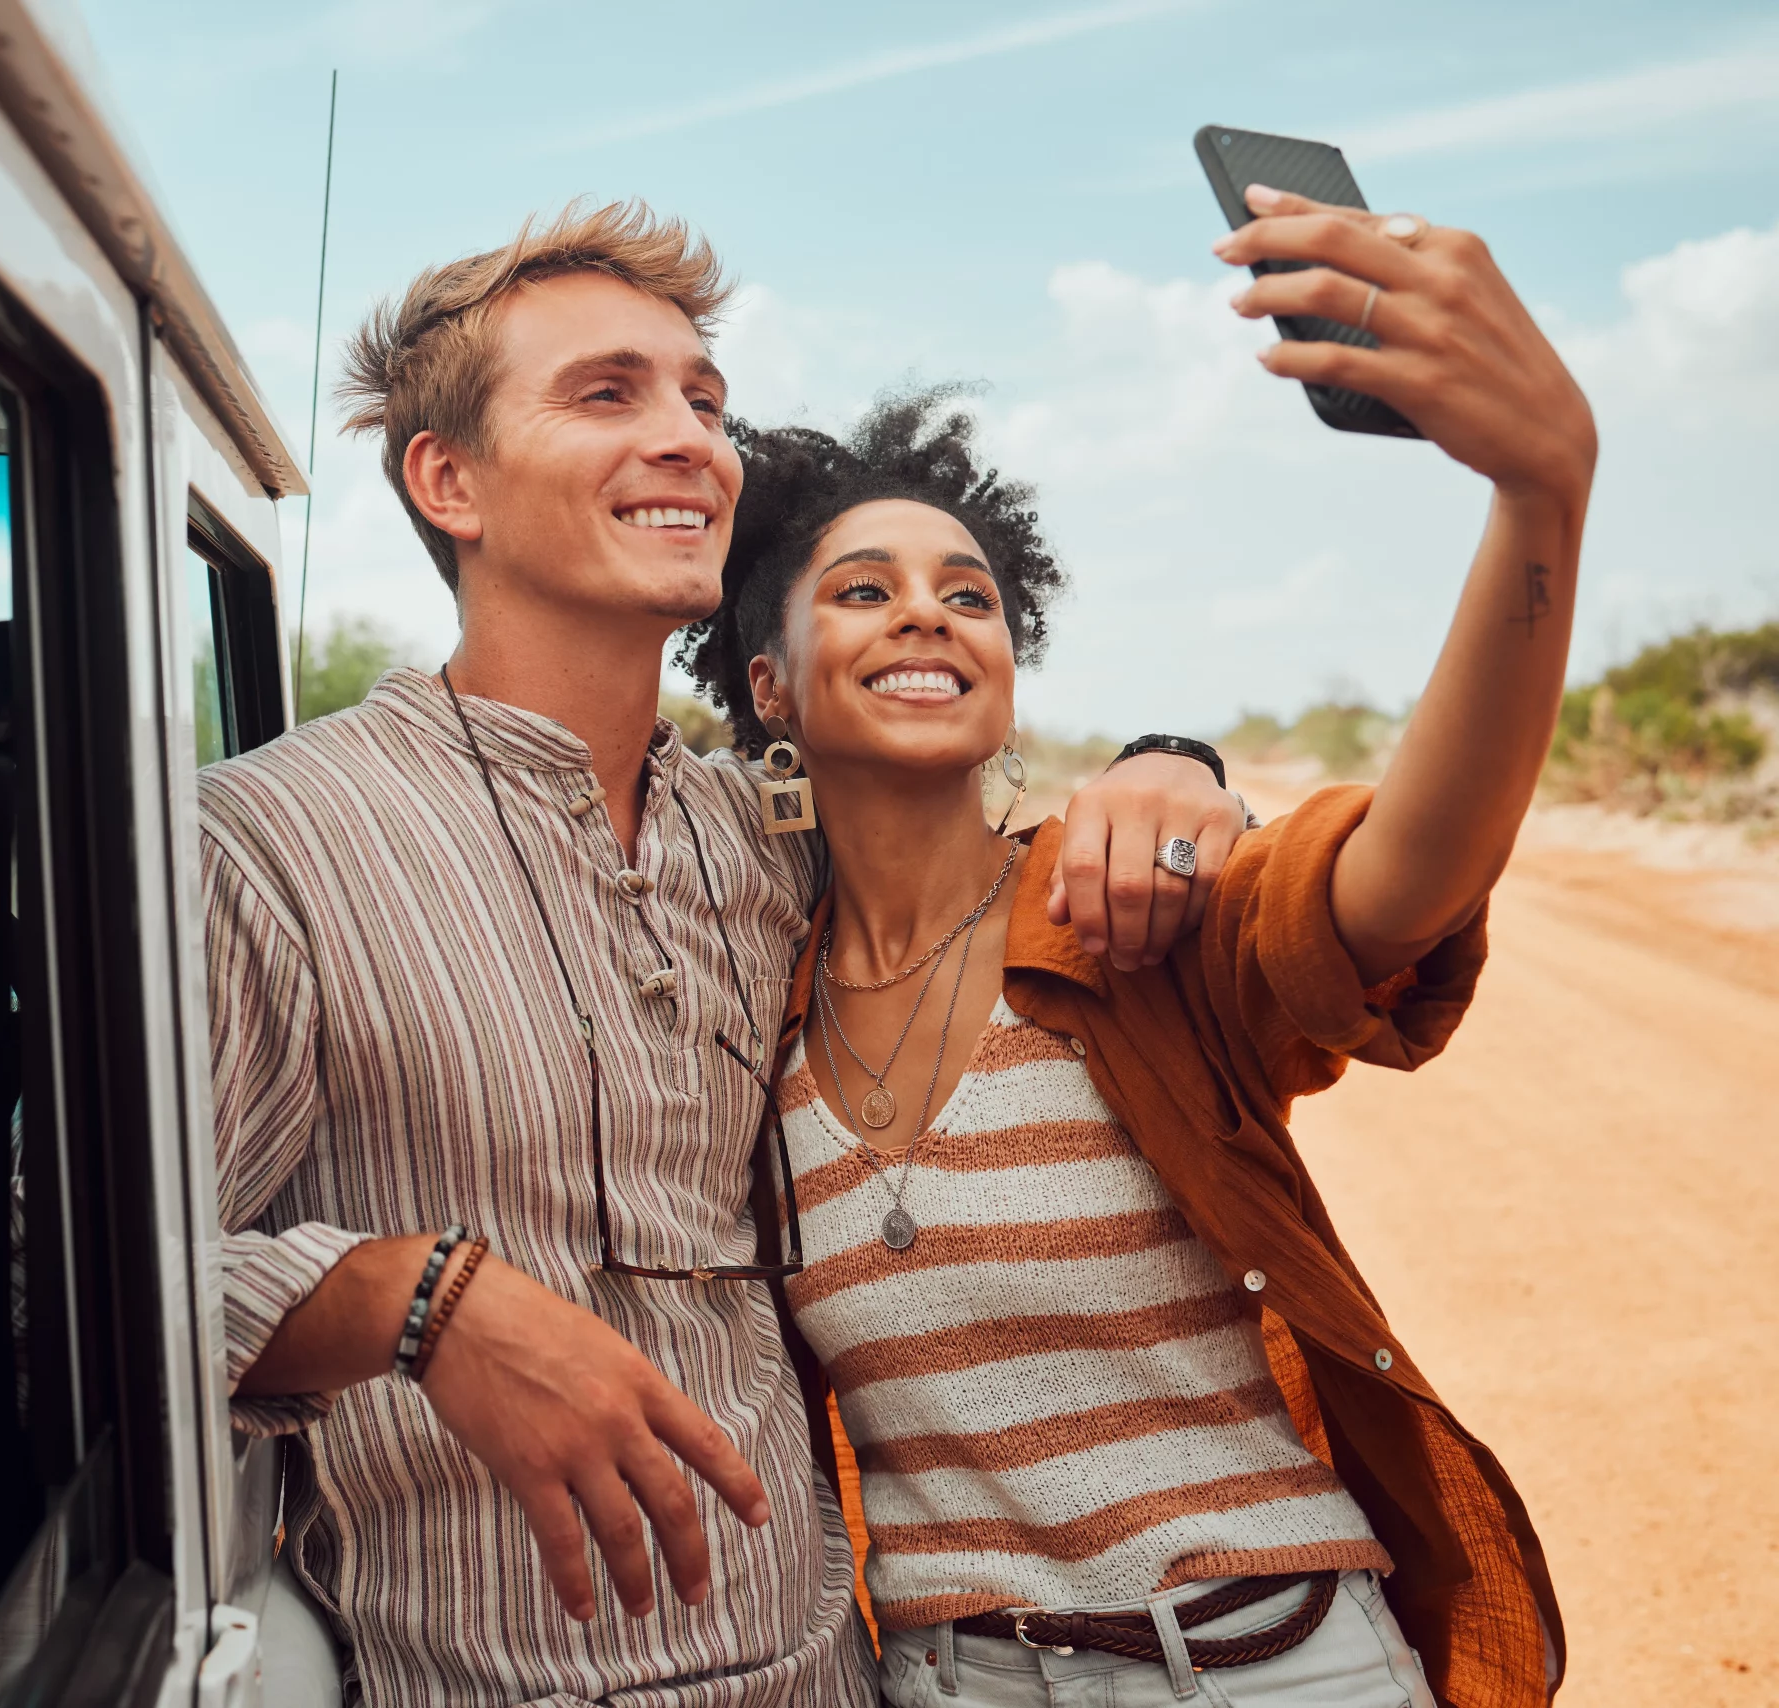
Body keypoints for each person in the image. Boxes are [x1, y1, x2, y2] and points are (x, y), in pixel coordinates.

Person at [203, 201, 1247, 1706]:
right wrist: (415, 1301)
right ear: (450, 481)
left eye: (705, 397)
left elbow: (965, 815)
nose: (693, 437)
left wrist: (1177, 763)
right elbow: (57, 1298)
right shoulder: (269, 843)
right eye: (607, 393)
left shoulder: (762, 842)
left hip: (831, 1673)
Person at [679, 186, 1590, 1708]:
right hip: (952, 1684)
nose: (929, 617)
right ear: (769, 686)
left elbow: (1407, 876)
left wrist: (1540, 499)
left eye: (970, 595)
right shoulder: (749, 997)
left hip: (1278, 1669)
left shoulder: (1131, 918)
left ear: (1007, 675)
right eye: (864, 591)